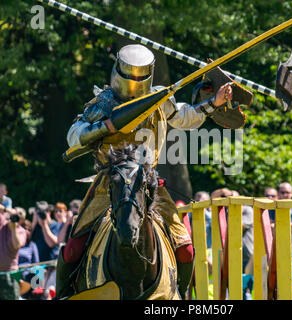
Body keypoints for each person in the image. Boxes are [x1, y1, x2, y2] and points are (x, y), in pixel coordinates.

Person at [58, 44, 233, 299]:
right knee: (74, 248)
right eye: (130, 76)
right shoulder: (103, 103)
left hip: (149, 184)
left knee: (185, 250)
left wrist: (214, 103)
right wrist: (101, 128)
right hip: (109, 184)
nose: (134, 82)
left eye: (140, 77)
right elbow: (74, 135)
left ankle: (181, 295)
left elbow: (185, 118)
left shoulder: (160, 99)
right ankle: (63, 294)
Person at [0, 204, 27, 300]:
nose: (16, 214)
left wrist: (13, 229)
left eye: (19, 214)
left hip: (10, 274)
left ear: (22, 220)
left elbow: (16, 245)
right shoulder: (2, 222)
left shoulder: (21, 231)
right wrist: (7, 210)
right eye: (15, 211)